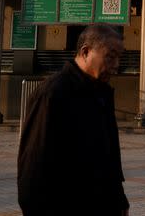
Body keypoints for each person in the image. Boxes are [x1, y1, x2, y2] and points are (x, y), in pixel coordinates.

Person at [17, 24, 129, 216]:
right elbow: (32, 169)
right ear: (85, 52)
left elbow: (109, 158)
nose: (116, 65)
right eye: (110, 56)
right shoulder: (53, 93)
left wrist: (119, 200)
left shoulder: (101, 93)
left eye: (119, 57)